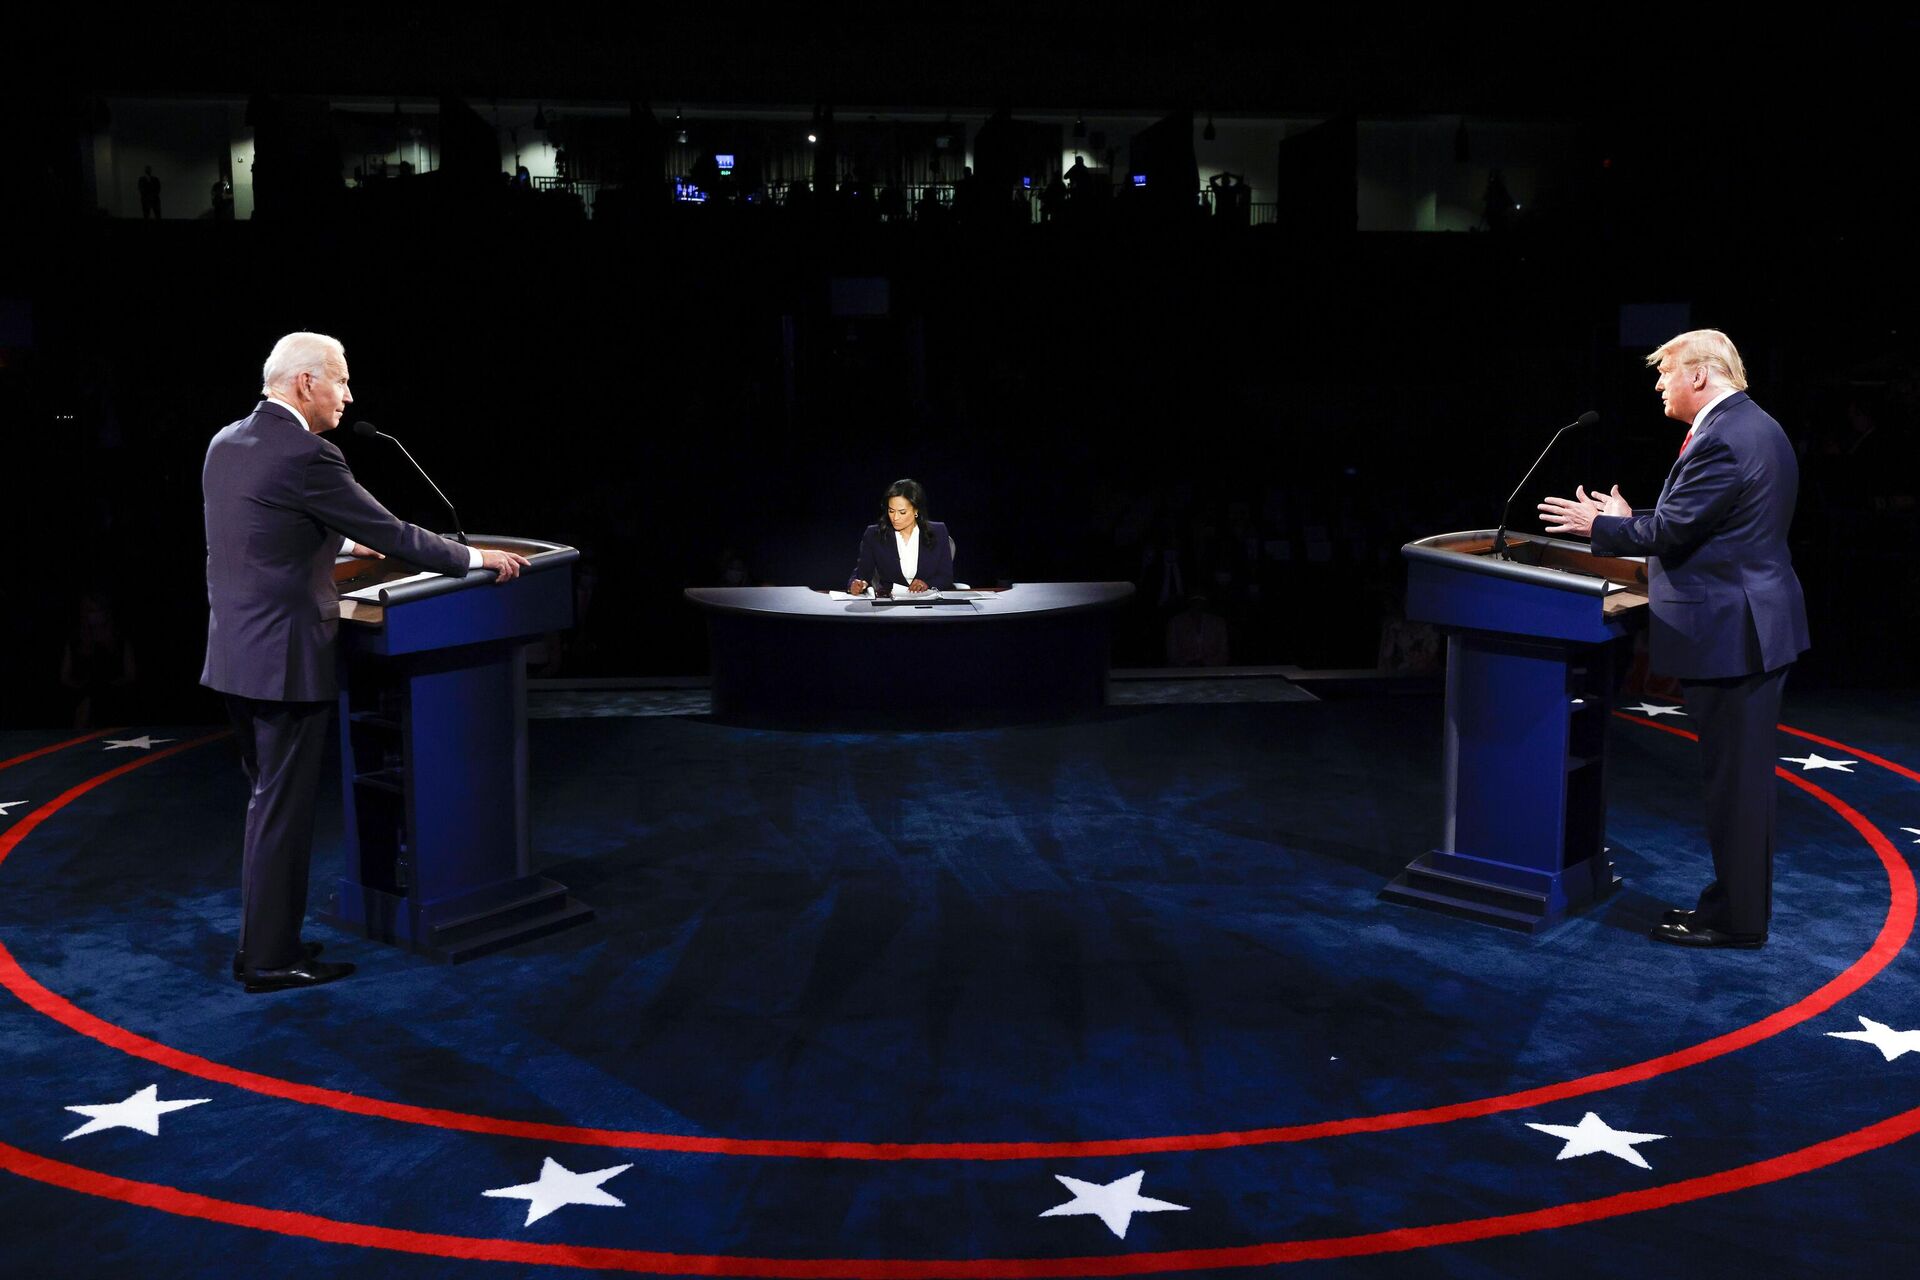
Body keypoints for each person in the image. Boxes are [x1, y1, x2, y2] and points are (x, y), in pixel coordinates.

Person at [202, 333, 529, 992]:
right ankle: (270, 961)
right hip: (287, 659)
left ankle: (260, 946)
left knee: (266, 807)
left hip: (236, 655)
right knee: (282, 812)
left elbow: (261, 528)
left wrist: (334, 535)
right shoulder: (307, 453)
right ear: (304, 384)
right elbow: (395, 533)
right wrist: (474, 559)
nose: (348, 396)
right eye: (341, 382)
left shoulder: (227, 442)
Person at [1539, 329, 1809, 949]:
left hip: (1735, 633)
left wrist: (1604, 526)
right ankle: (1732, 907)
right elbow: (1701, 527)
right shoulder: (1751, 426)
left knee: (1734, 787)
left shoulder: (1726, 438)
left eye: (1666, 373)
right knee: (1737, 784)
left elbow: (1677, 529)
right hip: (1751, 627)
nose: (1659, 384)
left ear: (1700, 375)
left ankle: (1736, 921)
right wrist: (1634, 521)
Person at [846, 478, 954, 595]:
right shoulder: (874, 534)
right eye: (891, 511)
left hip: (927, 604)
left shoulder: (938, 532)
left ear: (916, 510)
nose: (895, 518)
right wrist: (855, 584)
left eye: (902, 512)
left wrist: (927, 584)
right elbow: (862, 574)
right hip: (890, 604)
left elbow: (946, 577)